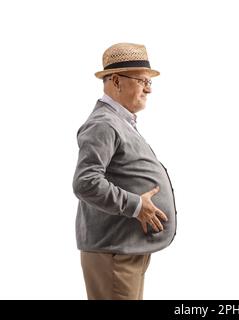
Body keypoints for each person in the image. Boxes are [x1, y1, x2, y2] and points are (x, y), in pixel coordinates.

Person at [72, 43, 177, 300]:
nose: (149, 89)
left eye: (149, 82)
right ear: (116, 81)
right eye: (142, 81)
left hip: (124, 249)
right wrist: (136, 206)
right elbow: (85, 182)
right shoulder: (103, 124)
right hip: (114, 253)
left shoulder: (120, 121)